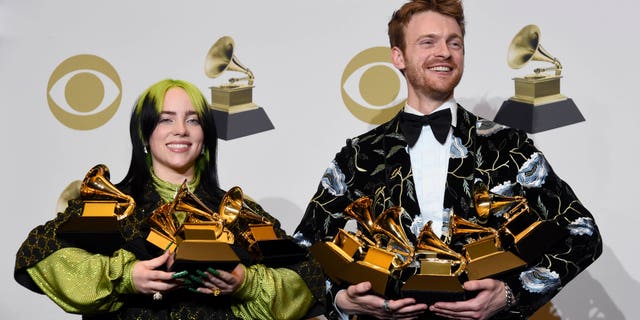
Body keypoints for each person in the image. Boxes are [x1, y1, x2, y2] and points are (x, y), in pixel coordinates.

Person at [294, 0, 602, 319]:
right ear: (398, 56)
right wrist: (342, 301)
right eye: (428, 42)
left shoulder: (507, 145)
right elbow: (301, 252)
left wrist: (512, 293)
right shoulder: (359, 155)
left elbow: (582, 233)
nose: (444, 52)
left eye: (454, 42)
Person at [14, 79, 326, 319]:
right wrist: (127, 276)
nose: (181, 130)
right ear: (145, 135)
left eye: (192, 120)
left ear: (205, 138)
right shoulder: (109, 206)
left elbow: (305, 276)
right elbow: (40, 254)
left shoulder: (240, 213)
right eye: (166, 119)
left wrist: (244, 282)